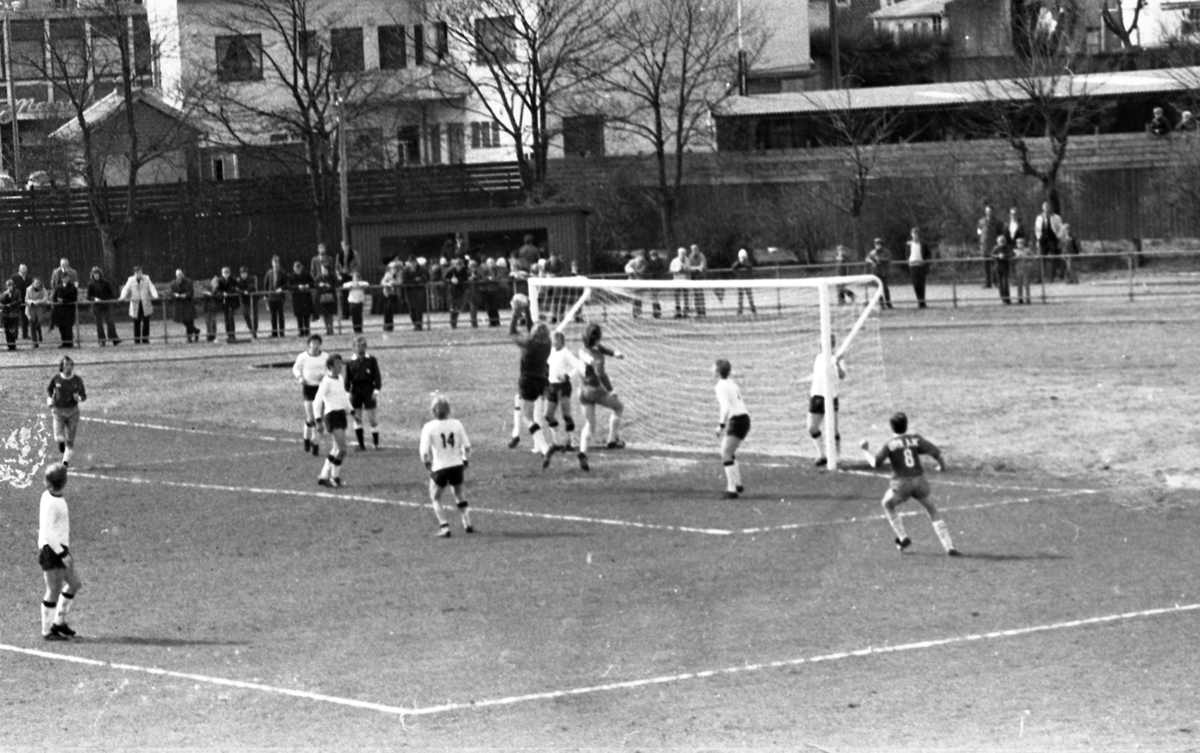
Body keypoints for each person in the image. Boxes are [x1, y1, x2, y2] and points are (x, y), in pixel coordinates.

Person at [860, 411, 959, 556]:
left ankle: (902, 537)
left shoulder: (890, 444)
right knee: (932, 510)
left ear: (891, 427)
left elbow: (875, 463)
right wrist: (942, 466)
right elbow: (936, 453)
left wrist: (865, 451)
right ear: (906, 425)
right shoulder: (915, 439)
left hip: (901, 484)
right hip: (919, 481)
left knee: (887, 504)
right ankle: (949, 546)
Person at [509, 298, 557, 468]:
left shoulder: (528, 344)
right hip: (541, 381)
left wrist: (516, 312)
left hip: (527, 381)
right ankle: (541, 444)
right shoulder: (547, 343)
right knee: (522, 405)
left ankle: (544, 448)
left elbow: (513, 332)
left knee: (527, 417)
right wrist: (527, 311)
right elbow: (532, 330)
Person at [38, 462, 82, 641]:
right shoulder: (53, 503)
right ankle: (47, 631)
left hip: (58, 548)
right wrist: (62, 554)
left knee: (75, 583)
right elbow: (47, 533)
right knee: (53, 590)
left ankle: (59, 622)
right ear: (64, 482)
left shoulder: (48, 497)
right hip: (52, 551)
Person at [419, 394, 473, 538]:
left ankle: (444, 527)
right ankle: (467, 522)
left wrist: (427, 463)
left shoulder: (428, 427)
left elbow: (424, 452)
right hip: (457, 466)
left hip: (440, 468)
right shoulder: (457, 424)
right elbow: (467, 446)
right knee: (459, 494)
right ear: (448, 409)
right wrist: (465, 460)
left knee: (435, 497)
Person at [577, 322, 626, 472]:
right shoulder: (597, 358)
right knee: (619, 407)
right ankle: (612, 440)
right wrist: (611, 390)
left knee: (590, 425)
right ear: (598, 338)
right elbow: (601, 374)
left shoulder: (582, 348)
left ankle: (582, 452)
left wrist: (613, 353)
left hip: (582, 391)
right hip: (595, 391)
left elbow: (599, 347)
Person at [312, 353, 352, 488]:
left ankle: (324, 476)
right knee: (343, 449)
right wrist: (318, 420)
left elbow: (343, 397)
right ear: (330, 366)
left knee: (335, 449)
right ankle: (335, 477)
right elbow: (317, 401)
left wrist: (350, 409)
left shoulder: (340, 378)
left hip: (341, 414)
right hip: (332, 416)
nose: (340, 366)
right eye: (337, 364)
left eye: (341, 363)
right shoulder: (326, 382)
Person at [713, 358, 750, 499]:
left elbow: (726, 407)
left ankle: (732, 489)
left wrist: (721, 425)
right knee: (729, 452)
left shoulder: (720, 386)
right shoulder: (731, 383)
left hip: (738, 421)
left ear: (717, 371)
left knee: (725, 453)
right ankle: (738, 483)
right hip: (744, 419)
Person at [808, 335, 845, 467]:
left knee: (833, 429)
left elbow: (842, 375)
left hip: (830, 397)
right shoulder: (818, 357)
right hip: (816, 396)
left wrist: (837, 363)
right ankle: (821, 455)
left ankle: (837, 457)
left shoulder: (838, 359)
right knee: (812, 428)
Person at [293, 334, 330, 457]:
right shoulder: (303, 357)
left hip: (321, 388)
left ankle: (316, 443)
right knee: (310, 417)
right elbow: (296, 369)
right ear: (309, 344)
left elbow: (330, 369)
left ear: (320, 344)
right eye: (313, 343)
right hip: (308, 387)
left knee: (319, 418)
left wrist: (325, 375)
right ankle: (306, 438)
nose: (315, 346)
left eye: (317, 343)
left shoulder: (325, 356)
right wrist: (300, 378)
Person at [545, 330, 582, 450]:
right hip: (552, 386)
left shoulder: (566, 353)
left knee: (566, 414)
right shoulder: (551, 352)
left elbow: (578, 365)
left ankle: (571, 441)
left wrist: (567, 376)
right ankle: (556, 441)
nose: (553, 342)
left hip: (563, 387)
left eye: (555, 339)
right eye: (552, 339)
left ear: (561, 341)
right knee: (548, 415)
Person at [47, 355, 86, 466]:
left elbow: (83, 395)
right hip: (58, 412)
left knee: (70, 439)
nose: (68, 367)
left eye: (70, 365)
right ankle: (61, 443)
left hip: (73, 412)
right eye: (66, 365)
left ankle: (65, 462)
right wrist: (50, 399)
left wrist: (79, 398)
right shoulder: (56, 379)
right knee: (58, 436)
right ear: (62, 367)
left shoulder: (77, 380)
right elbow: (50, 390)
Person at [345, 335, 382, 451]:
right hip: (356, 390)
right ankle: (361, 444)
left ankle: (376, 443)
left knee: (372, 417)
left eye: (362, 346)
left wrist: (376, 389)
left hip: (368, 389)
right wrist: (347, 392)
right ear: (354, 348)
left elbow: (377, 375)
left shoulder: (371, 360)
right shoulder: (350, 362)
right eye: (357, 346)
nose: (360, 348)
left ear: (366, 347)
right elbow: (348, 378)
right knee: (357, 417)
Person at [119, 266, 158, 345]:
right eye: (137, 272)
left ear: (141, 271)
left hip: (145, 303)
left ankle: (145, 339)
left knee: (146, 322)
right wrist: (122, 297)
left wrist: (155, 295)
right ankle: (137, 340)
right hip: (135, 304)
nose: (139, 274)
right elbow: (126, 288)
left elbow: (151, 287)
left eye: (140, 272)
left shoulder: (146, 278)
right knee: (136, 323)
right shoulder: (130, 280)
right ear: (134, 273)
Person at [85, 267, 121, 346]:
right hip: (96, 306)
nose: (96, 275)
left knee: (110, 322)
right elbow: (88, 296)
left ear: (100, 274)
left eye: (97, 274)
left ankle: (114, 338)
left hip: (106, 305)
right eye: (95, 274)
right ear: (92, 275)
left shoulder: (106, 283)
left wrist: (106, 299)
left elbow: (111, 294)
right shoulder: (90, 284)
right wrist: (94, 299)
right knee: (99, 324)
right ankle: (101, 340)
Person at [1034, 201, 1064, 282]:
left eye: (1047, 206)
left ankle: (1052, 277)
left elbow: (1060, 228)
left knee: (1053, 258)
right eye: (1045, 207)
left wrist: (1059, 237)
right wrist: (1038, 238)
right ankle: (1040, 278)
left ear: (1050, 207)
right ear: (1043, 208)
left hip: (1052, 239)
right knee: (1042, 258)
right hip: (1043, 239)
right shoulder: (1039, 217)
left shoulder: (1056, 217)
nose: (1046, 208)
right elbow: (1037, 229)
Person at [169, 269, 200, 343]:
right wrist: (175, 295)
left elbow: (191, 292)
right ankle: (196, 331)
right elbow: (171, 293)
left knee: (189, 320)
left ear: (183, 274)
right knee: (184, 320)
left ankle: (189, 338)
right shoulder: (173, 283)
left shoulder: (188, 282)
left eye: (180, 275)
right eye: (177, 275)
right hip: (179, 305)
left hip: (187, 303)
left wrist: (185, 295)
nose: (179, 276)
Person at [976, 205, 1003, 289]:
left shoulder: (998, 222)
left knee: (995, 265)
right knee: (985, 266)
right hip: (984, 246)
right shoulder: (981, 221)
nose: (989, 212)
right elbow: (978, 231)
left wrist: (999, 245)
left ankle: (995, 282)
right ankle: (988, 283)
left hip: (994, 247)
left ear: (993, 212)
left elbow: (1000, 234)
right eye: (987, 211)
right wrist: (980, 240)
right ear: (985, 211)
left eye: (990, 211)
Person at [263, 256, 289, 338]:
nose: (275, 264)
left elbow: (287, 283)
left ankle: (281, 332)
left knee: (280, 315)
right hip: (271, 297)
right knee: (273, 315)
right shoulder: (269, 272)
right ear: (272, 263)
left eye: (277, 262)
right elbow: (266, 284)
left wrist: (281, 288)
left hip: (280, 297)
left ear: (279, 263)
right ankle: (274, 333)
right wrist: (265, 295)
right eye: (274, 262)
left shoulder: (283, 272)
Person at [402, 257, 429, 331]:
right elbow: (404, 281)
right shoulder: (406, 270)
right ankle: (415, 323)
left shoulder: (422, 269)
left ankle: (419, 325)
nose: (413, 264)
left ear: (416, 262)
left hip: (419, 291)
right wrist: (415, 280)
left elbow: (426, 279)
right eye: (411, 262)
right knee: (412, 309)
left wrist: (418, 280)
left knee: (419, 308)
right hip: (409, 291)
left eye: (414, 262)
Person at [864, 238, 893, 309]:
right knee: (878, 289)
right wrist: (872, 262)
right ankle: (881, 304)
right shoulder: (873, 252)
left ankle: (888, 304)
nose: (878, 245)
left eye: (879, 243)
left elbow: (889, 258)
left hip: (883, 272)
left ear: (882, 244)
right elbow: (867, 259)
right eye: (876, 244)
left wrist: (881, 259)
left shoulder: (886, 251)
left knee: (885, 288)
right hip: (876, 273)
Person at [214, 267, 240, 343]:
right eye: (224, 273)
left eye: (227, 272)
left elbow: (236, 288)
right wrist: (222, 293)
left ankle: (233, 334)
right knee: (226, 319)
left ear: (229, 273)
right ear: (222, 273)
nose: (226, 274)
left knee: (231, 318)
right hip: (224, 302)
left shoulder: (233, 280)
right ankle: (229, 334)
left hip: (232, 301)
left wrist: (228, 293)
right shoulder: (220, 280)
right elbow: (217, 290)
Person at [51, 276, 78, 348]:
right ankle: (64, 342)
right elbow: (54, 297)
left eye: (66, 278)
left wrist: (64, 300)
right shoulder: (58, 287)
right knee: (61, 327)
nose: (65, 279)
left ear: (68, 278)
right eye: (63, 278)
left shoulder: (72, 288)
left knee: (68, 327)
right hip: (59, 310)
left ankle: (69, 343)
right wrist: (56, 301)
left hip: (69, 310)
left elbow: (74, 298)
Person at [290, 261, 315, 337]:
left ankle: (307, 331)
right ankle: (301, 331)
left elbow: (312, 283)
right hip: (297, 299)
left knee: (306, 316)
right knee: (299, 316)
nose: (298, 269)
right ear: (294, 268)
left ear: (301, 268)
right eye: (296, 268)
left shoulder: (307, 274)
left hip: (306, 298)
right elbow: (289, 286)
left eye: (299, 267)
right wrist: (298, 287)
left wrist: (308, 285)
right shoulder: (291, 276)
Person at [906, 227, 929, 309]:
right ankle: (919, 301)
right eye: (914, 233)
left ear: (919, 235)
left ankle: (922, 302)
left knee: (921, 285)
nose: (915, 235)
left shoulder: (924, 244)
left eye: (917, 234)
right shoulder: (909, 244)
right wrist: (908, 262)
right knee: (915, 285)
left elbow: (928, 255)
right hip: (913, 266)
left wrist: (925, 261)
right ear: (911, 235)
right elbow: (907, 254)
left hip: (921, 266)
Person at [25, 277, 49, 348]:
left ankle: (40, 334)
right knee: (32, 326)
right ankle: (35, 343)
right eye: (35, 283)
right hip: (30, 309)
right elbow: (26, 299)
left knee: (37, 324)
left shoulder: (43, 290)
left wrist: (38, 302)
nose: (37, 284)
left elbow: (45, 299)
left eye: (38, 283)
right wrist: (32, 302)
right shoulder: (28, 289)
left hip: (39, 310)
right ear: (33, 283)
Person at [444, 257, 468, 329]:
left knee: (458, 306)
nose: (459, 267)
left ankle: (454, 321)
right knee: (453, 306)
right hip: (452, 290)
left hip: (460, 290)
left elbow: (465, 278)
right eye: (457, 265)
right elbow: (444, 278)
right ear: (455, 265)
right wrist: (450, 280)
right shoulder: (450, 270)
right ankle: (452, 322)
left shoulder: (464, 270)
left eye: (460, 265)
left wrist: (458, 280)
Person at [731, 249, 757, 315]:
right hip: (740, 282)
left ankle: (752, 308)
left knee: (749, 295)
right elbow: (733, 267)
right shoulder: (737, 264)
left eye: (744, 257)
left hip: (747, 281)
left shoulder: (748, 264)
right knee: (740, 296)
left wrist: (744, 263)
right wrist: (739, 262)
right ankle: (740, 309)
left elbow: (750, 267)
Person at [237, 266, 259, 338]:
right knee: (245, 314)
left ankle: (254, 330)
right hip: (244, 300)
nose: (244, 274)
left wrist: (247, 291)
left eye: (245, 273)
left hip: (253, 299)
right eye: (242, 273)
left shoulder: (252, 278)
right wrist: (243, 292)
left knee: (254, 315)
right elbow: (237, 289)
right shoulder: (238, 280)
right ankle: (251, 329)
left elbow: (252, 286)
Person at [624, 250, 647, 319]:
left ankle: (639, 313)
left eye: (643, 255)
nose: (642, 257)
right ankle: (635, 313)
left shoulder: (645, 263)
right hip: (633, 283)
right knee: (634, 298)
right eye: (640, 255)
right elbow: (626, 268)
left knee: (639, 298)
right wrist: (630, 270)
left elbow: (642, 271)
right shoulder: (632, 262)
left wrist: (635, 272)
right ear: (637, 256)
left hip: (640, 282)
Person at [380, 260, 402, 332]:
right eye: (392, 268)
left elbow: (400, 282)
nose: (393, 269)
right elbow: (382, 282)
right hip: (387, 294)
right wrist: (388, 284)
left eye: (395, 268)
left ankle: (390, 325)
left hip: (394, 294)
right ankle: (386, 325)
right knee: (387, 310)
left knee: (391, 310)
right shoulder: (387, 274)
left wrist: (393, 282)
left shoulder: (399, 274)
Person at [11, 263, 30, 339]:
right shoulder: (14, 278)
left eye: (25, 268)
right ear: (19, 269)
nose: (24, 269)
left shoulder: (29, 278)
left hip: (25, 301)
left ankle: (25, 334)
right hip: (16, 301)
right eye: (22, 268)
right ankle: (15, 334)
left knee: (25, 318)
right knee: (15, 318)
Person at [670, 247, 691, 318]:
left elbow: (689, 269)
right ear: (678, 253)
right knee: (677, 297)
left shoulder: (687, 260)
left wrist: (686, 270)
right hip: (677, 281)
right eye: (681, 253)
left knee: (686, 297)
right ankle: (678, 312)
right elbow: (671, 270)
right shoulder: (674, 261)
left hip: (685, 281)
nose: (682, 254)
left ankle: (685, 313)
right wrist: (677, 270)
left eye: (684, 253)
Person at [992, 235, 1013, 304]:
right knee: (1000, 284)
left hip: (1005, 267)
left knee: (1005, 283)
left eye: (1002, 242)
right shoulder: (996, 248)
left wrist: (1004, 255)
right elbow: (992, 255)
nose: (1001, 243)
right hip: (998, 268)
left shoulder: (1007, 248)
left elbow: (1011, 254)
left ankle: (1007, 298)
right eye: (999, 242)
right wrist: (998, 256)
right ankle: (1003, 298)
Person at [688, 244, 708, 317]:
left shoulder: (702, 256)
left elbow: (702, 267)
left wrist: (695, 268)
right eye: (693, 250)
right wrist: (696, 268)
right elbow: (688, 267)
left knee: (700, 295)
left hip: (700, 278)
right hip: (693, 278)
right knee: (696, 295)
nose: (694, 251)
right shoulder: (690, 257)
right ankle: (698, 312)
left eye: (695, 249)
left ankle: (703, 311)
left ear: (698, 249)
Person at [1013, 236, 1033, 305]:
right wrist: (1015, 257)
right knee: (1019, 285)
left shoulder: (1027, 251)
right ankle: (1020, 298)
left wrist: (1029, 264)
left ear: (1023, 243)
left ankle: (1028, 298)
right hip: (1018, 269)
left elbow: (1032, 259)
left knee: (1026, 284)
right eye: (1018, 243)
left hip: (1026, 269)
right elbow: (1012, 260)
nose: (1019, 244)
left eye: (1020, 243)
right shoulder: (1015, 251)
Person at [1, 279, 20, 349]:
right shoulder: (4, 293)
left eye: (11, 285)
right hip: (6, 313)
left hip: (13, 313)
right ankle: (9, 344)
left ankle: (13, 343)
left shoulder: (17, 292)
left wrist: (10, 304)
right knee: (7, 329)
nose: (10, 287)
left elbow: (19, 301)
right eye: (8, 286)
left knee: (12, 329)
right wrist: (7, 294)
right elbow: (2, 301)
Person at [201, 277, 221, 343]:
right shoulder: (208, 288)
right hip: (207, 310)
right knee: (207, 323)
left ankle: (214, 336)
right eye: (214, 282)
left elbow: (218, 297)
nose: (215, 284)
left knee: (213, 322)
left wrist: (211, 295)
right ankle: (209, 336)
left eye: (216, 282)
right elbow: (204, 295)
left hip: (214, 311)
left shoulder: (218, 291)